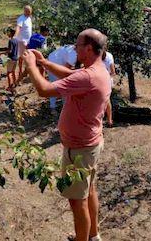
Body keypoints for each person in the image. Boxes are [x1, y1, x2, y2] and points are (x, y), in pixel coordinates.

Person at [22, 29, 109, 241]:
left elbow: (43, 90)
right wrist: (45, 63)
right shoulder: (98, 71)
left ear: (88, 48)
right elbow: (71, 76)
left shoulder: (88, 76)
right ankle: (92, 235)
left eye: (77, 45)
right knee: (88, 191)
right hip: (90, 145)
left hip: (79, 150)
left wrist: (31, 66)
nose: (74, 48)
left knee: (77, 201)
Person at [46, 44, 77, 115]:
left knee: (54, 85)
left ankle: (55, 107)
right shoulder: (74, 54)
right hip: (55, 65)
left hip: (51, 60)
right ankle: (62, 109)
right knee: (62, 86)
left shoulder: (71, 47)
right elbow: (66, 69)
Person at [14, 5, 33, 78]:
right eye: (28, 12)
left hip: (28, 41)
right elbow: (18, 27)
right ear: (24, 11)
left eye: (30, 12)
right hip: (22, 41)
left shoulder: (29, 18)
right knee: (21, 57)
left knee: (27, 55)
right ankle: (20, 71)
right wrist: (15, 37)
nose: (29, 13)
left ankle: (26, 70)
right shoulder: (21, 19)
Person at [102, 49, 116, 127]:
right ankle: (109, 120)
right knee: (107, 100)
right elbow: (113, 72)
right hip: (108, 81)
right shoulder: (109, 55)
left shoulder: (94, 55)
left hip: (99, 81)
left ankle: (100, 120)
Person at [5, 27, 19, 92]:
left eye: (8, 32)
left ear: (11, 33)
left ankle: (10, 87)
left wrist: (4, 52)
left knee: (9, 73)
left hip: (11, 58)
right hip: (16, 58)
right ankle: (15, 83)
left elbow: (10, 51)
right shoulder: (16, 40)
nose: (8, 33)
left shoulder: (10, 41)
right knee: (13, 72)